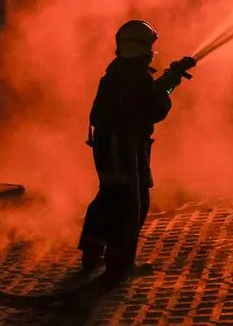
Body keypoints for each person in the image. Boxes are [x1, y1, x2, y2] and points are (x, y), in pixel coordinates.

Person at [77, 20, 196, 280]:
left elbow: (146, 95)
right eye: (150, 46)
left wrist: (172, 75)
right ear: (141, 48)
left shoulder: (119, 70)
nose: (153, 51)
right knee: (131, 203)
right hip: (125, 150)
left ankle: (92, 251)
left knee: (109, 197)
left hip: (109, 147)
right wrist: (170, 85)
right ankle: (119, 265)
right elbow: (153, 108)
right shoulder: (135, 76)